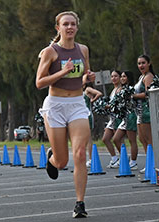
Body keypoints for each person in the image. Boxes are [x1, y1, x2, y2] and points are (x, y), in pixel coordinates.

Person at [36, 11, 96, 218]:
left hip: (78, 103)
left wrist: (89, 77)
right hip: (56, 105)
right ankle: (52, 158)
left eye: (73, 24)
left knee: (79, 153)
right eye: (65, 24)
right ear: (58, 28)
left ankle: (80, 203)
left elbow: (84, 76)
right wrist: (63, 71)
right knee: (62, 162)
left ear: (77, 27)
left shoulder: (83, 49)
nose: (69, 27)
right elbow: (39, 82)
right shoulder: (50, 52)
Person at [112, 71, 138, 170]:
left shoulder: (131, 89)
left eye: (124, 77)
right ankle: (125, 159)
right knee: (116, 139)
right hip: (124, 117)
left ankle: (133, 162)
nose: (122, 78)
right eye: (121, 77)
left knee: (132, 140)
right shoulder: (121, 89)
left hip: (131, 115)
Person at [133, 55, 154, 173]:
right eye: (139, 63)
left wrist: (133, 96)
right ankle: (149, 162)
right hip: (139, 111)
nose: (141, 65)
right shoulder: (142, 76)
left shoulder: (149, 76)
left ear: (149, 63)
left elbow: (148, 93)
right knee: (142, 138)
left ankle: (153, 163)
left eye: (143, 63)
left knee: (148, 138)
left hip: (146, 111)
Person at [102, 70, 122, 168]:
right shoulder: (113, 90)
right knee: (105, 139)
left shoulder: (120, 89)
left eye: (116, 76)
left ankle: (123, 158)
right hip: (112, 118)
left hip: (118, 117)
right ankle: (114, 158)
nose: (113, 78)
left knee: (117, 139)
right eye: (112, 76)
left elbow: (118, 104)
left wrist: (108, 106)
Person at [83, 83, 103, 167]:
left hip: (87, 115)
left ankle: (91, 159)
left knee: (88, 138)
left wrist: (93, 100)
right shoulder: (80, 90)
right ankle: (85, 158)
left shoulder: (88, 89)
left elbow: (99, 93)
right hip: (80, 116)